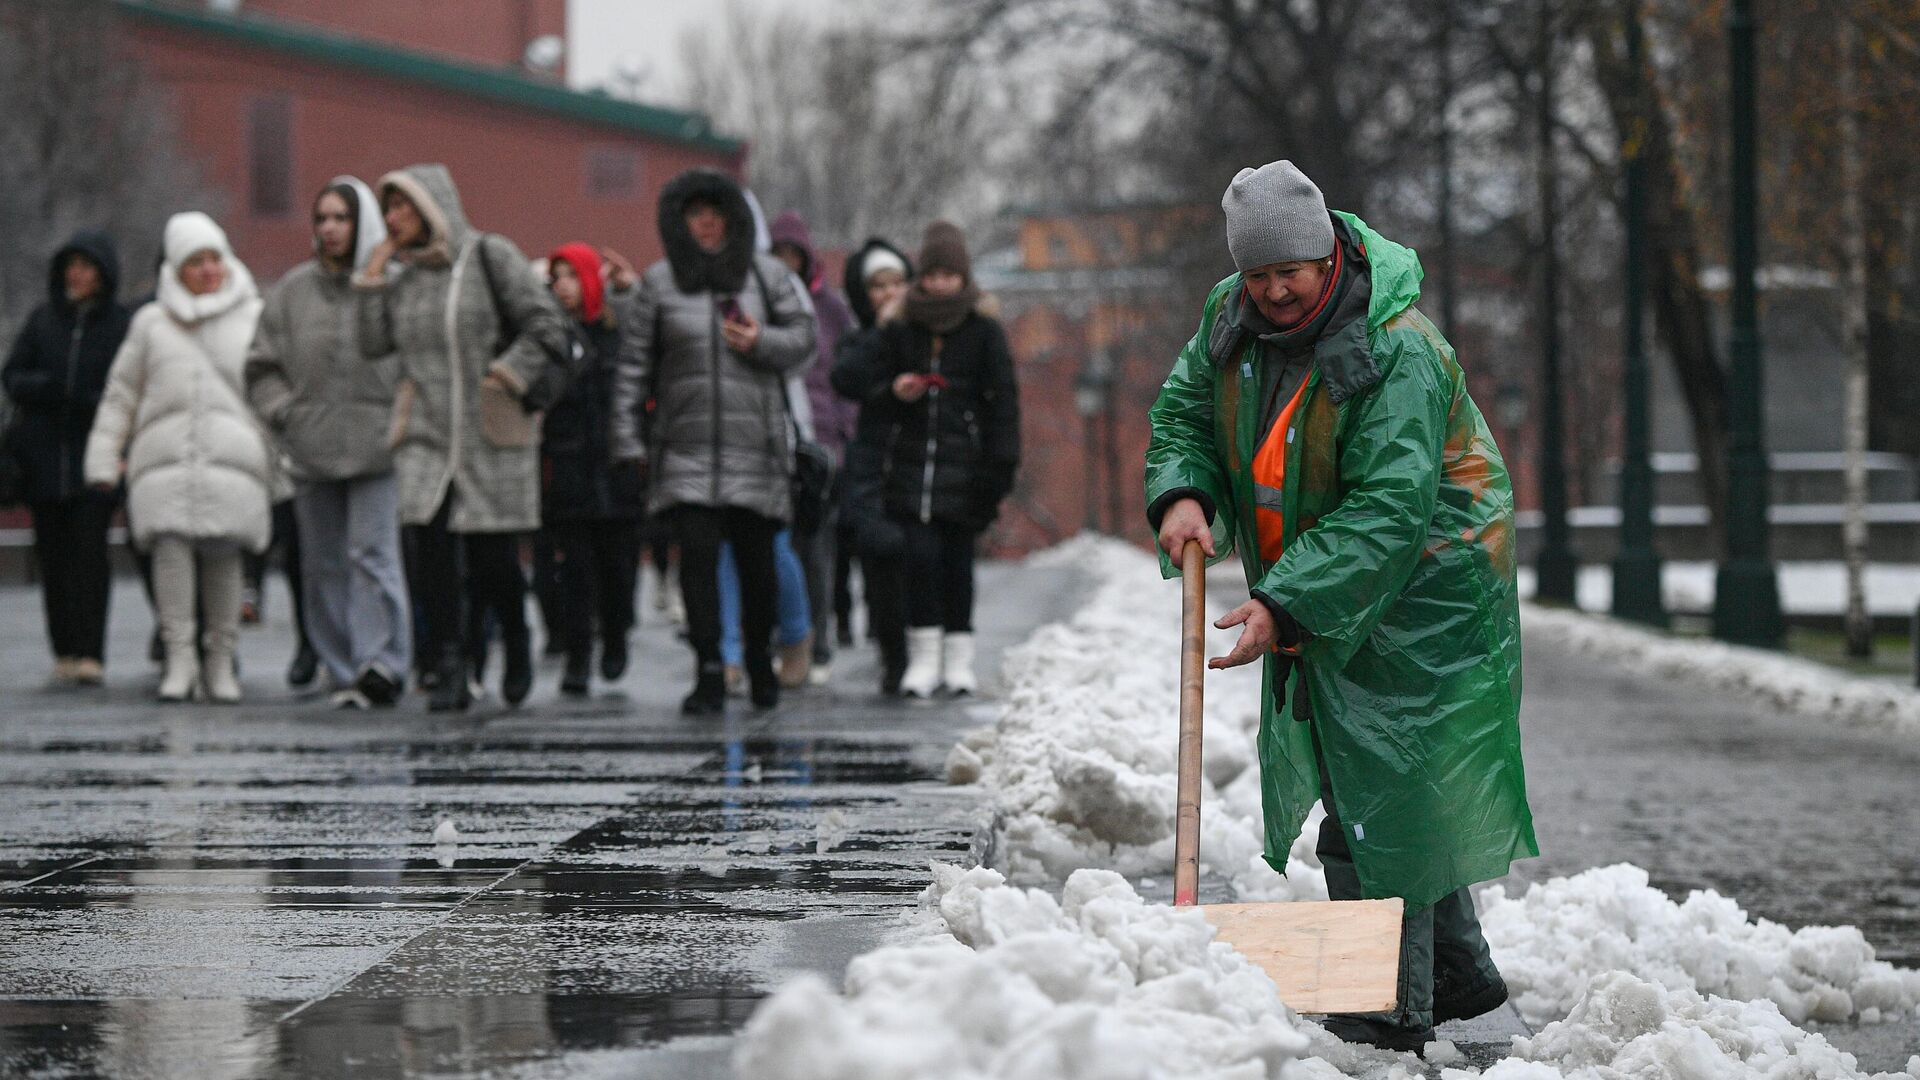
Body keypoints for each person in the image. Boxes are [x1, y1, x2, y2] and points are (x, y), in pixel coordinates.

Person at [1144, 160, 1537, 1052]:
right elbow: (1183, 415)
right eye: (1259, 275)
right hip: (1326, 582)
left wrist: (1283, 603)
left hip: (1429, 589)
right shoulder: (1228, 321)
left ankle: (1381, 1014)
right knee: (1389, 789)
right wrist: (1182, 493)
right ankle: (1463, 989)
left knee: (1380, 790)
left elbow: (1388, 510)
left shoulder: (1396, 347)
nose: (1276, 291)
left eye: (1293, 271)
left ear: (1329, 255)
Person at [354, 163, 567, 712]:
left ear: (431, 207)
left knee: (493, 556)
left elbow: (545, 323)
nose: (393, 219)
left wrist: (507, 374)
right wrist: (373, 280)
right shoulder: (404, 279)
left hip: (486, 428)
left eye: (402, 207)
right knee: (429, 549)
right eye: (388, 210)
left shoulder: (488, 255)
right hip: (424, 432)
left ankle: (515, 638)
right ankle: (448, 663)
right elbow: (374, 345)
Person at [609, 168, 817, 714]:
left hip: (756, 446)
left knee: (757, 563)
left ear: (733, 219)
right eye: (693, 214)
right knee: (696, 563)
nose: (704, 224)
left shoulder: (767, 276)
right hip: (685, 447)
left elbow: (805, 341)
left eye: (714, 213)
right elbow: (632, 368)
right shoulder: (658, 284)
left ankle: (757, 661)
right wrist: (628, 441)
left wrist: (761, 341)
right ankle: (707, 668)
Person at [84, 212, 272, 703]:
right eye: (196, 262)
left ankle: (220, 660)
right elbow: (121, 394)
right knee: (170, 555)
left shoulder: (254, 317)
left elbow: (274, 393)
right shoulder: (149, 322)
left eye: (215, 258)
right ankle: (180, 657)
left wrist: (281, 459)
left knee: (224, 557)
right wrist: (104, 460)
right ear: (176, 267)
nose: (208, 270)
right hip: (163, 460)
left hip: (233, 459)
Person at [831, 222, 1019, 698]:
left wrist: (997, 474)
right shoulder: (901, 328)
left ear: (962, 277)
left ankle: (958, 660)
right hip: (909, 471)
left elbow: (1004, 408)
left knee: (957, 566)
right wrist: (893, 382)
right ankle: (923, 659)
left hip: (966, 472)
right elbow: (850, 377)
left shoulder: (985, 331)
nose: (938, 284)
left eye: (947, 275)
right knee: (919, 563)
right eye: (930, 274)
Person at [245, 177, 413, 708]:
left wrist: (404, 419)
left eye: (341, 217)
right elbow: (261, 366)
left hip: (377, 445)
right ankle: (340, 669)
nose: (330, 228)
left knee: (374, 556)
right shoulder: (293, 291)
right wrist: (284, 413)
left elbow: (418, 357)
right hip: (312, 446)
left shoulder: (393, 283)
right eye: (322, 218)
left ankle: (382, 663)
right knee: (321, 563)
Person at [3, 231, 133, 687]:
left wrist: (89, 400)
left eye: (86, 266)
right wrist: (48, 389)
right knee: (53, 559)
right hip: (44, 460)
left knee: (90, 558)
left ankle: (91, 651)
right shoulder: (43, 321)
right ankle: (64, 649)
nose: (76, 275)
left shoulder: (120, 324)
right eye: (70, 266)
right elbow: (13, 375)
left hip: (93, 458)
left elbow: (128, 387)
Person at [540, 242, 644, 697]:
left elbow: (656, 335)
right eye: (555, 277)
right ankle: (579, 656)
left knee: (618, 567)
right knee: (576, 569)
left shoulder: (619, 330)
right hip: (569, 464)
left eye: (568, 275)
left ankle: (617, 635)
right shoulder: (551, 335)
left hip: (619, 465)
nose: (561, 286)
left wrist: (633, 290)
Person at [771, 210, 856, 685]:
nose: (786, 264)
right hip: (774, 441)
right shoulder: (758, 303)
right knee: (774, 547)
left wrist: (842, 428)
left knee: (817, 549)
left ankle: (818, 642)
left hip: (822, 444)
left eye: (793, 255)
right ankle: (782, 638)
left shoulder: (831, 309)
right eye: (777, 255)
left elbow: (846, 374)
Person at [830, 238, 915, 694]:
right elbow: (846, 379)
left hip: (917, 459)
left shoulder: (925, 332)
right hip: (872, 463)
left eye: (897, 283)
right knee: (879, 557)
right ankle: (892, 656)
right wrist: (882, 330)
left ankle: (921, 653)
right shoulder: (861, 337)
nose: (889, 293)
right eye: (879, 286)